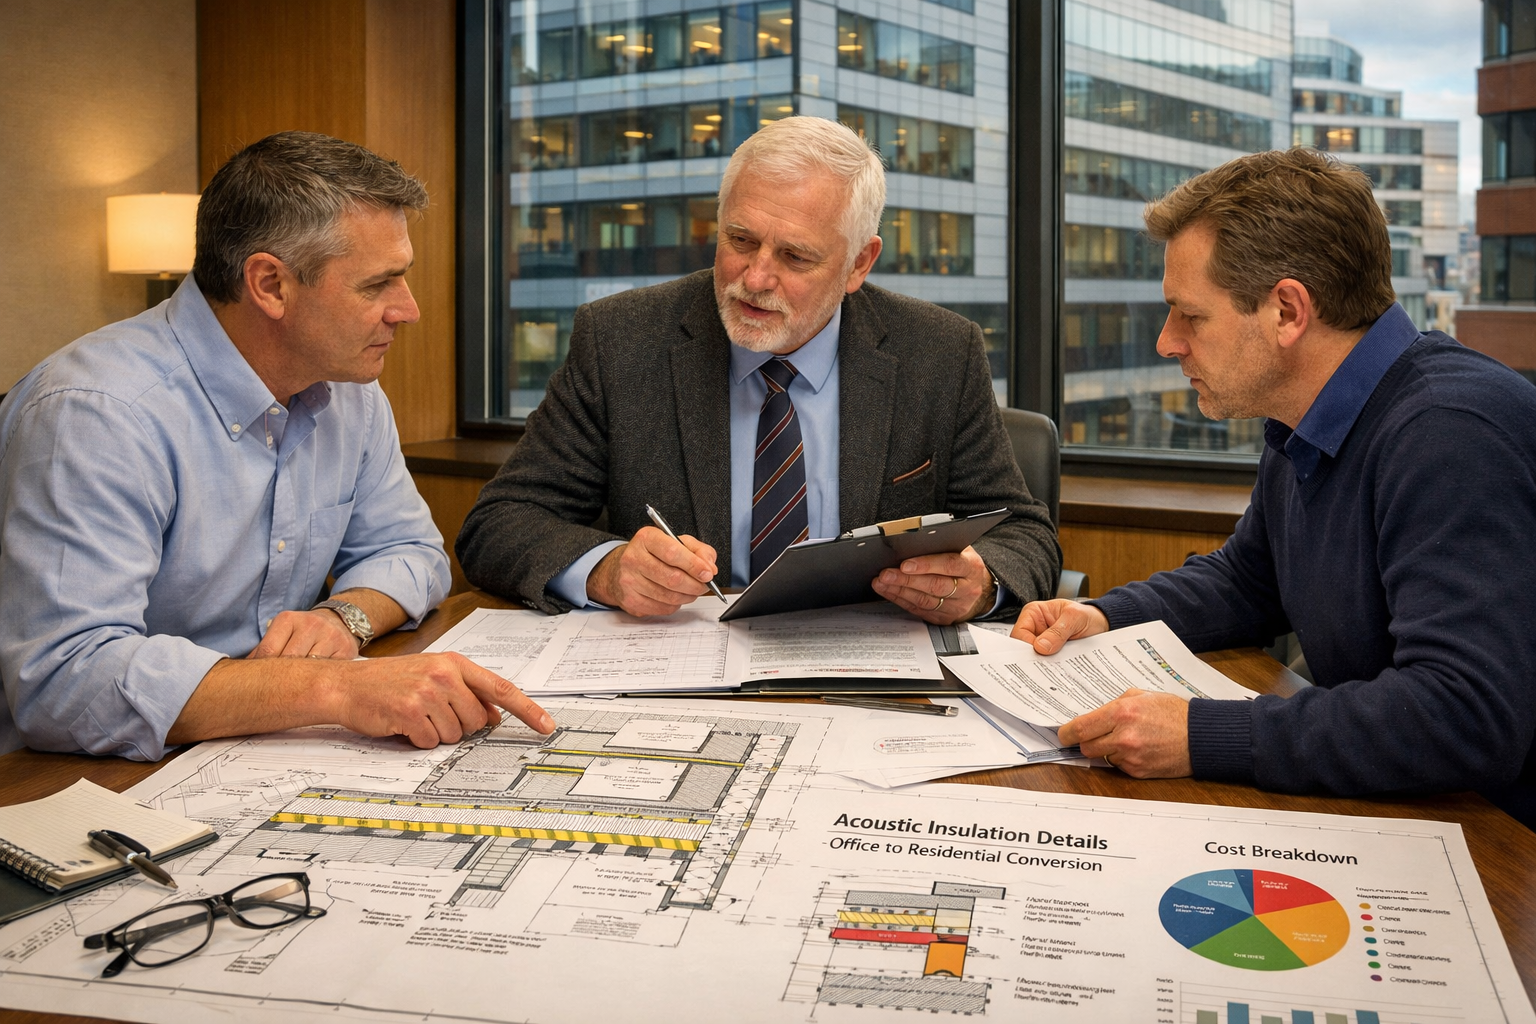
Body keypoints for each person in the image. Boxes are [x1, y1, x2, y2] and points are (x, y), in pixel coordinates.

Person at [1011, 148, 1536, 823]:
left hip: (1501, 843)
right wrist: (1108, 616)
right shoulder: (1309, 415)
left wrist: (1203, 735)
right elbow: (1251, 582)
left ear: (1288, 311)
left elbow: (1465, 714)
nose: (1168, 343)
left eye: (1190, 316)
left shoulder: (1449, 432)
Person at [0, 131, 554, 760]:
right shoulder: (98, 413)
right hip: (82, 776)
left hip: (254, 745)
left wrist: (343, 619)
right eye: (378, 285)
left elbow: (412, 552)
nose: (409, 310)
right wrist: (333, 688)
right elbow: (63, 683)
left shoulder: (348, 389)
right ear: (270, 285)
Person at [457, 116, 1059, 621]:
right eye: (740, 240)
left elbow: (1026, 536)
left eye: (795, 256)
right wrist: (608, 571)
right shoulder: (621, 340)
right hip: (680, 673)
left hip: (867, 674)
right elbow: (499, 525)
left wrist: (980, 584)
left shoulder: (938, 352)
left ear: (858, 264)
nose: (755, 279)